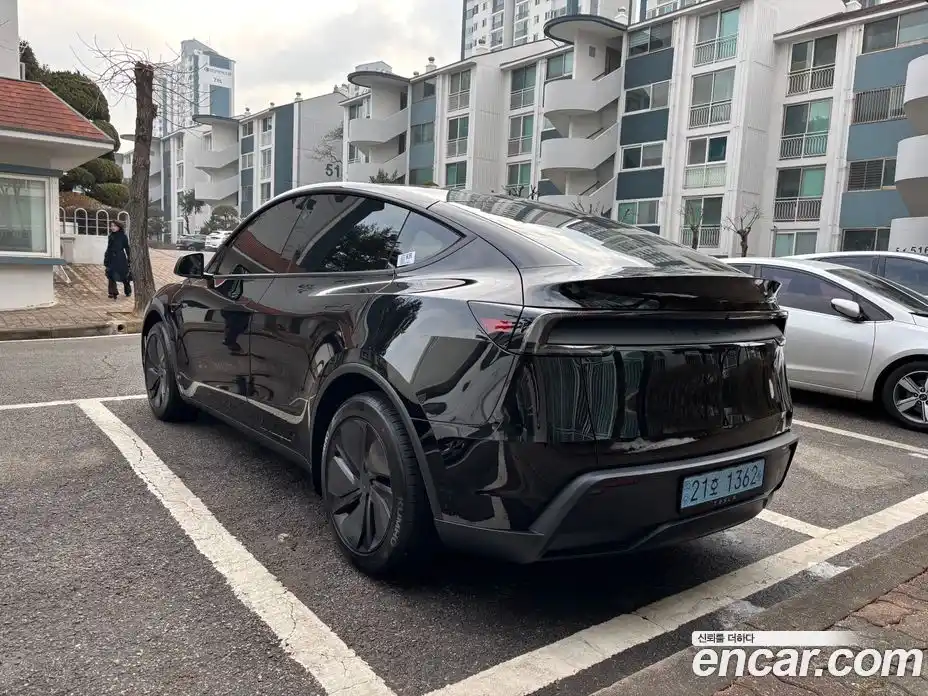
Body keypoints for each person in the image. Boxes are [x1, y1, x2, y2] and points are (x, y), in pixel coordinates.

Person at [103, 220, 132, 300]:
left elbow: (127, 248)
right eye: (111, 226)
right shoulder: (111, 236)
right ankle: (113, 292)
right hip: (111, 257)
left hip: (120, 258)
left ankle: (127, 289)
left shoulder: (123, 236)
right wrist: (106, 258)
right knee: (110, 274)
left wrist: (129, 258)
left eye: (114, 226)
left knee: (123, 275)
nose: (112, 227)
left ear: (119, 227)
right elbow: (108, 248)